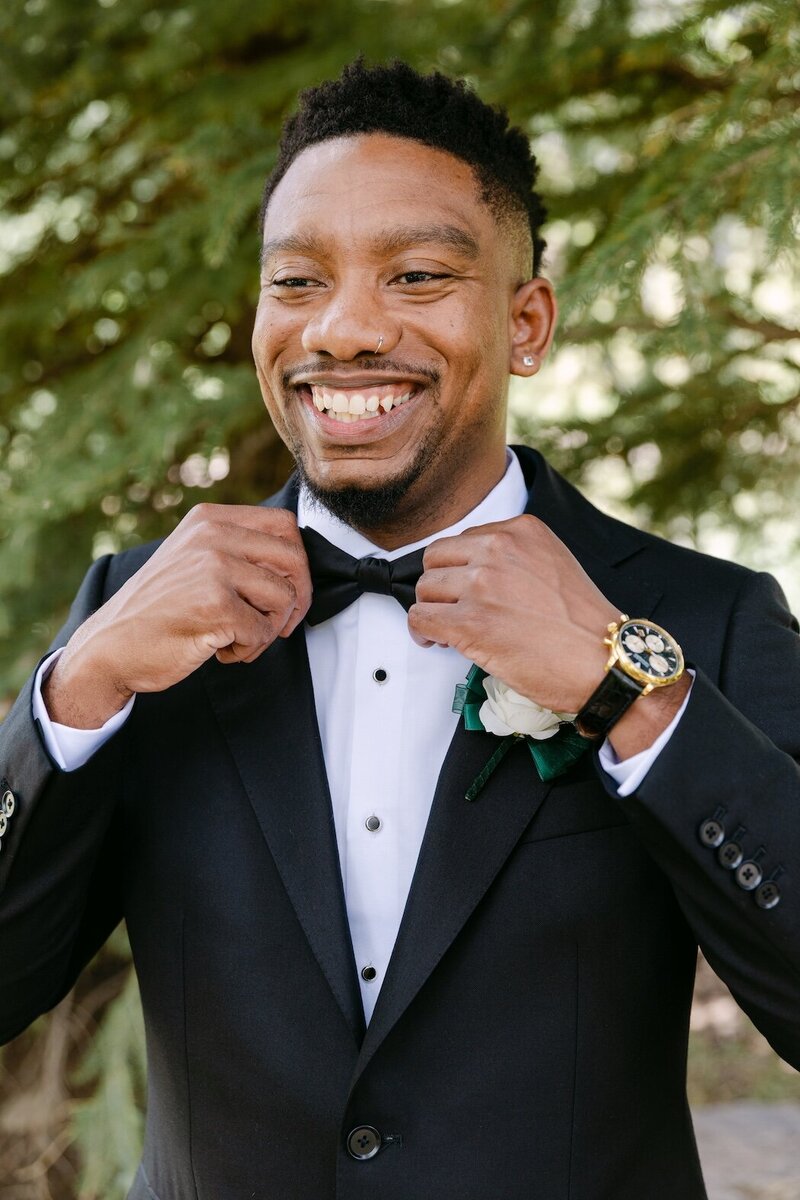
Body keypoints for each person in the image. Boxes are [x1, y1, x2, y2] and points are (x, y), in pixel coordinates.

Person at [1, 58, 799, 1200]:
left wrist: (631, 695)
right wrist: (73, 692)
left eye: (417, 274)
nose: (345, 327)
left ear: (524, 323)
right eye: (297, 280)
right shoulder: (133, 622)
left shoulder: (697, 620)